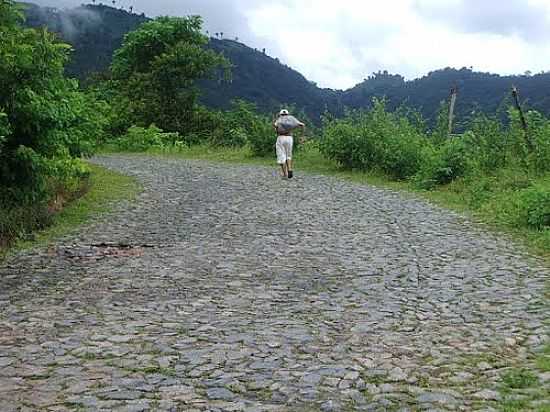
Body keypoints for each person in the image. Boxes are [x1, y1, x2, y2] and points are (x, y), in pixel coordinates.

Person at [273, 109, 305, 179]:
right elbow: (302, 125)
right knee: (289, 155)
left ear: (280, 114)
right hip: (289, 138)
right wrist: (302, 136)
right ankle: (290, 169)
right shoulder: (292, 119)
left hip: (281, 138)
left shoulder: (279, 119)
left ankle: (285, 174)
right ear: (288, 114)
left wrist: (274, 123)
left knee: (281, 156)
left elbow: (275, 127)